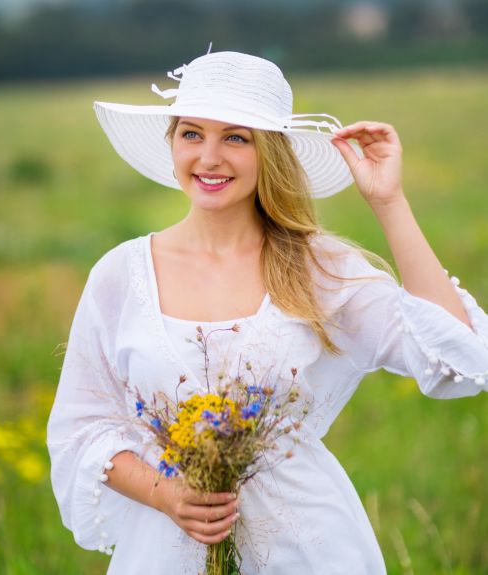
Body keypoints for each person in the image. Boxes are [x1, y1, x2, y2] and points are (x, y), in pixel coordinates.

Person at [47, 51, 488, 574]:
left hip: (308, 551)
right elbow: (83, 429)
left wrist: (388, 202)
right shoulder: (121, 274)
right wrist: (167, 495)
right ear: (172, 143)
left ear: (270, 153)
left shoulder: (320, 269)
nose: (209, 157)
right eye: (191, 134)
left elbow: (463, 359)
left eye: (236, 137)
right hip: (163, 551)